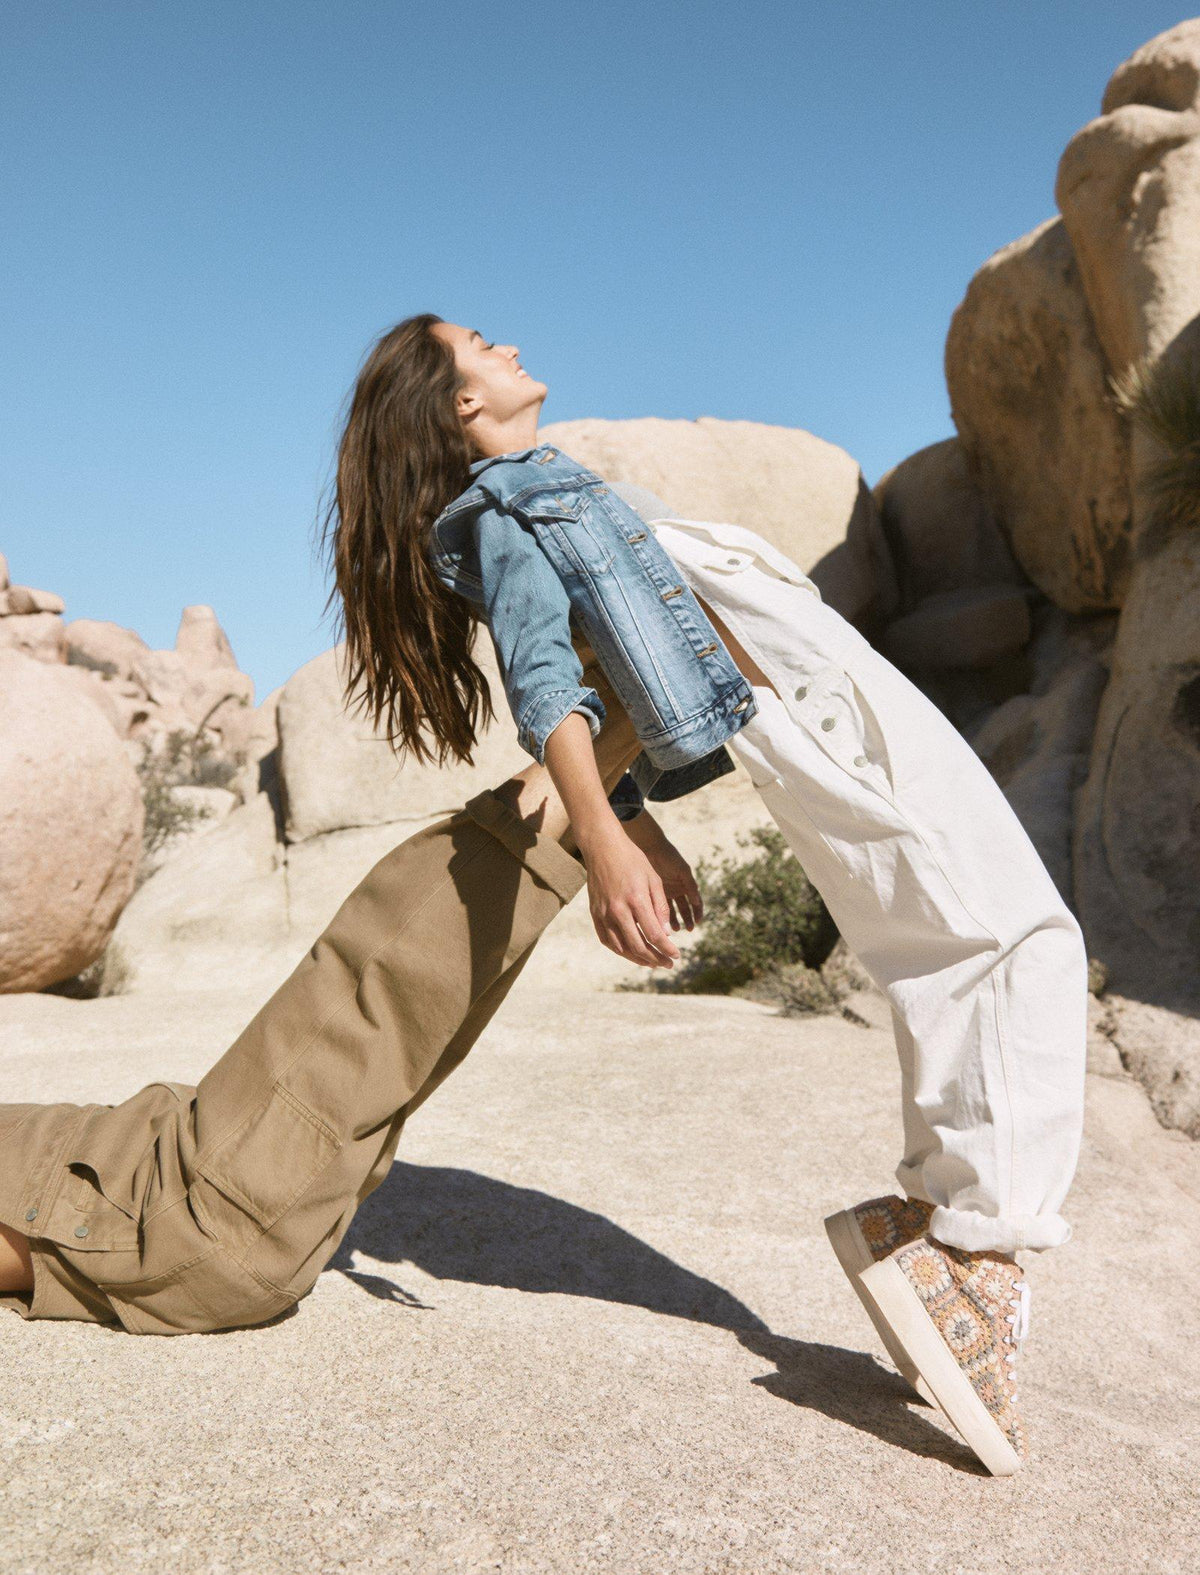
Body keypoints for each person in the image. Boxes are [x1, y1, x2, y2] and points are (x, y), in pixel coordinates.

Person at [407, 316, 1088, 1477]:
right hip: (811, 718)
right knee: (1011, 942)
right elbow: (546, 679)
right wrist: (611, 837)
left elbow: (617, 647)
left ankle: (927, 1222)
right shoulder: (502, 508)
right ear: (457, 406)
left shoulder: (552, 485)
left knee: (973, 942)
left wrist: (639, 815)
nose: (506, 341)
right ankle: (970, 1252)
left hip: (829, 693)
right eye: (476, 341)